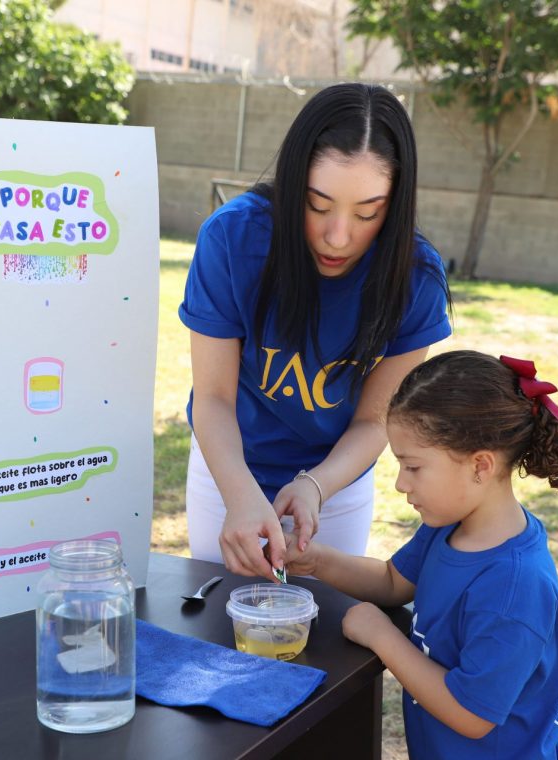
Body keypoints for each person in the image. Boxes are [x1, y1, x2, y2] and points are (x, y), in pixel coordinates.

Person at [179, 82, 451, 582]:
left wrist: (315, 487)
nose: (338, 237)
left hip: (336, 482)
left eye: (367, 213)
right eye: (317, 205)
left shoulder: (415, 277)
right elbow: (214, 397)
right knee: (218, 615)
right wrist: (240, 495)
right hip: (228, 467)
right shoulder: (233, 238)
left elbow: (374, 420)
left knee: (319, 622)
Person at [281, 350, 558, 759]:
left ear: (480, 466)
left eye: (413, 467)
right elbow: (392, 582)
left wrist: (383, 637)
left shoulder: (514, 586)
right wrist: (317, 560)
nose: (400, 484)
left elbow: (471, 715)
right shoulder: (448, 526)